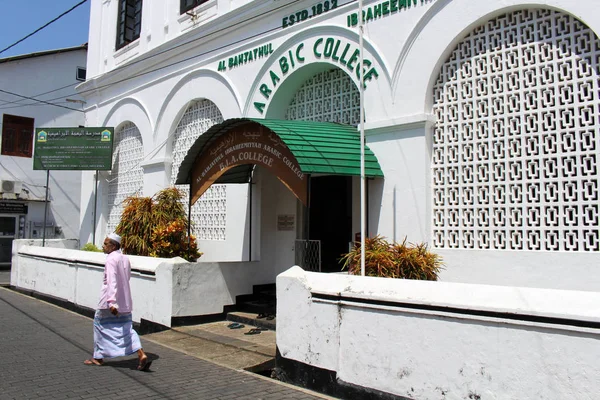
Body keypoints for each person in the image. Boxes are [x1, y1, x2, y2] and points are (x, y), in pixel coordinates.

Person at [84, 233, 152, 371]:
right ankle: (141, 354)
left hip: (109, 302)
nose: (103, 246)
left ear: (113, 246)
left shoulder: (110, 259)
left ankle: (98, 357)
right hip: (125, 302)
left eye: (105, 244)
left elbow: (112, 281)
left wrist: (111, 302)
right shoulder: (125, 259)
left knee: (99, 327)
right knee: (127, 329)